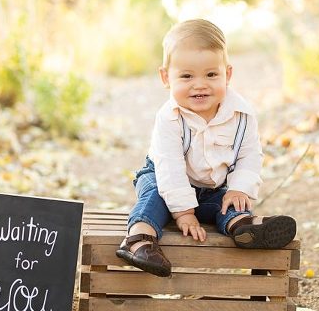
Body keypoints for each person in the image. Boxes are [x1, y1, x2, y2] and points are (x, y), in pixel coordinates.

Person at [116, 19, 296, 277]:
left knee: (229, 203)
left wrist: (238, 188)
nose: (200, 84)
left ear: (228, 74)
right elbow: (170, 167)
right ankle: (139, 240)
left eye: (211, 75)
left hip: (211, 188)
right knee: (154, 199)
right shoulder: (169, 117)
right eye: (187, 76)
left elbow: (249, 154)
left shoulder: (241, 114)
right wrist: (184, 213)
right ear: (166, 77)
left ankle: (243, 227)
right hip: (163, 179)